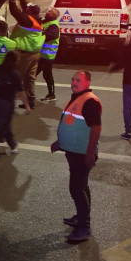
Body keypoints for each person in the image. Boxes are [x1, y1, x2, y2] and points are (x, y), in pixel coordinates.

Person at [51, 70, 102, 243]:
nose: (74, 82)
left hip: (82, 153)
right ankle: (82, 218)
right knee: (82, 186)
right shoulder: (77, 97)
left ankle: (84, 227)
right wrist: (60, 141)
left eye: (78, 80)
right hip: (74, 151)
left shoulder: (90, 102)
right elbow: (71, 123)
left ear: (87, 82)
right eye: (73, 79)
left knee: (76, 189)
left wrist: (90, 154)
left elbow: (96, 129)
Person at [6, 0, 43, 110]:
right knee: (30, 79)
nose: (26, 10)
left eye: (28, 10)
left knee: (17, 76)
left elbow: (15, 11)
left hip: (25, 54)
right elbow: (24, 6)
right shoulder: (37, 20)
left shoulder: (28, 21)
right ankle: (31, 100)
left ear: (30, 12)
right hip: (35, 54)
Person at [38, 8, 62, 102]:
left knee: (46, 74)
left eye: (50, 11)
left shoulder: (53, 25)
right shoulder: (46, 22)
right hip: (42, 54)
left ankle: (51, 94)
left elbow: (51, 36)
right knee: (35, 73)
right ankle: (25, 90)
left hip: (47, 55)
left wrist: (41, 33)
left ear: (54, 15)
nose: (47, 12)